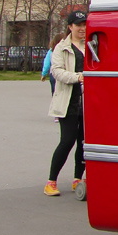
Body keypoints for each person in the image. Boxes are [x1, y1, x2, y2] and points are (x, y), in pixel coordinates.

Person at [45, 11, 88, 198]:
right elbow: (57, 72)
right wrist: (78, 77)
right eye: (78, 25)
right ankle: (51, 181)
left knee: (84, 142)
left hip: (88, 103)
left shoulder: (92, 46)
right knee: (67, 140)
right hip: (68, 102)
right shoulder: (61, 48)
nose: (82, 29)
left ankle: (78, 178)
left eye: (85, 25)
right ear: (70, 26)